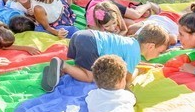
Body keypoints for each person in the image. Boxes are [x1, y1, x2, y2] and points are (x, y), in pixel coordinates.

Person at [40, 23, 170, 92]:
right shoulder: (134, 53)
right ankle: (63, 66)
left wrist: (149, 66)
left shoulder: (131, 43)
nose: (158, 56)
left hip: (82, 36)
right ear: (151, 46)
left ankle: (58, 70)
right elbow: (126, 80)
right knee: (90, 77)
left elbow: (132, 62)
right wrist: (139, 70)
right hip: (90, 44)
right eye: (160, 52)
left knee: (83, 66)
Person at [91, 0, 195, 42]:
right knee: (187, 11)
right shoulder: (138, 29)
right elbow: (129, 31)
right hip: (162, 18)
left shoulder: (165, 35)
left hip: (170, 20)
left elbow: (173, 38)